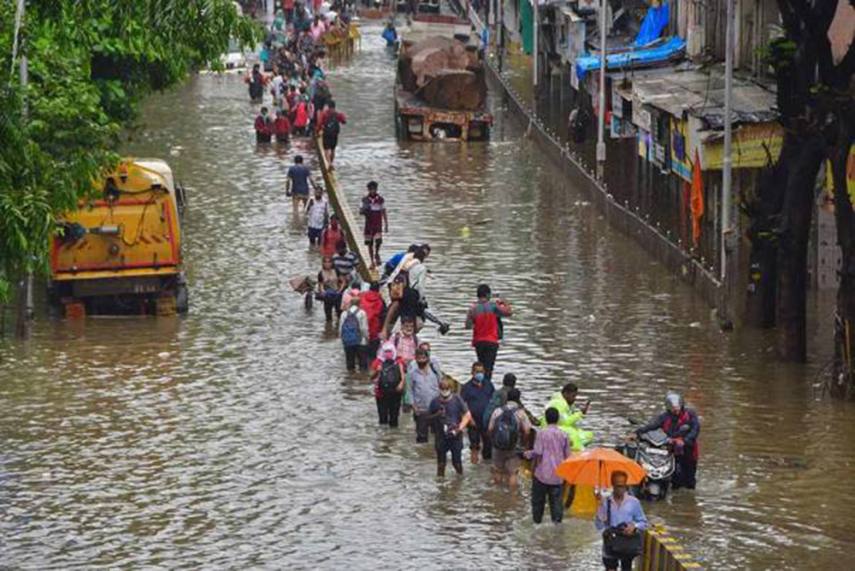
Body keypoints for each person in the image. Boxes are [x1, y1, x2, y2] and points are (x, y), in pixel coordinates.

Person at [634, 392, 700, 490]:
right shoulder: (664, 417)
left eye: (678, 407)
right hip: (673, 449)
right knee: (675, 478)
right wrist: (637, 433)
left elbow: (695, 429)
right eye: (673, 409)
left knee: (690, 479)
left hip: (689, 449)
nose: (676, 411)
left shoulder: (690, 415)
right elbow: (652, 426)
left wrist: (685, 441)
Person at [525, 407, 571, 524]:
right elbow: (567, 457)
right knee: (556, 506)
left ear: (545, 418)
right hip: (558, 477)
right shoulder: (564, 435)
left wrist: (528, 456)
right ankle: (557, 530)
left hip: (541, 475)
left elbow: (538, 453)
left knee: (538, 505)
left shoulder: (541, 433)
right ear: (558, 419)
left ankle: (537, 525)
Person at [595, 471, 648, 571]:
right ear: (613, 485)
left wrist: (634, 526)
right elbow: (598, 526)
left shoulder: (634, 502)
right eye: (617, 486)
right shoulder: (606, 502)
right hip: (610, 545)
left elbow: (644, 523)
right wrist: (600, 505)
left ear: (626, 485)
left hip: (627, 545)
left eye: (622, 486)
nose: (620, 489)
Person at [464, 284, 512, 380]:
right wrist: (505, 302)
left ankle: (480, 384)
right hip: (491, 341)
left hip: (479, 342)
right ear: (487, 295)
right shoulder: (494, 307)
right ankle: (487, 387)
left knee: (481, 366)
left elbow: (467, 326)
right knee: (489, 368)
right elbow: (508, 312)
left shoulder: (473, 309)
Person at [487, 388, 532, 488]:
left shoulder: (497, 411)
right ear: (518, 399)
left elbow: (490, 429)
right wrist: (523, 444)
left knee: (497, 470)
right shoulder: (521, 413)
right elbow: (527, 431)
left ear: (507, 398)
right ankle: (512, 497)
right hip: (513, 447)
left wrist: (494, 442)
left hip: (497, 446)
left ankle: (497, 493)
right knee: (513, 473)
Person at [428, 379, 472, 477]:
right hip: (440, 436)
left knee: (457, 463)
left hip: (455, 435)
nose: (444, 391)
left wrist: (459, 428)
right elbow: (428, 418)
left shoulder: (457, 399)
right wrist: (437, 415)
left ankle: (459, 481)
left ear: (450, 389)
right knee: (441, 464)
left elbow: (467, 415)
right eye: (442, 388)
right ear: (439, 389)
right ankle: (441, 485)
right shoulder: (434, 402)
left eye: (446, 388)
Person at [460, 362, 495, 463]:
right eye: (477, 371)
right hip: (473, 422)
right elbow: (463, 405)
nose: (479, 374)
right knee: (474, 447)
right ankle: (474, 469)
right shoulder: (466, 387)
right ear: (472, 372)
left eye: (481, 371)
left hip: (487, 422)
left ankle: (486, 470)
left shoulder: (489, 385)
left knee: (488, 447)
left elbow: (493, 401)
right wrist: (469, 420)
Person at [542, 382, 593, 451]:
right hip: (552, 429)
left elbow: (567, 420)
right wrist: (580, 413)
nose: (574, 399)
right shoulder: (560, 403)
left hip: (554, 428)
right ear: (566, 393)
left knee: (588, 435)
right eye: (573, 396)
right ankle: (577, 452)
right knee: (574, 434)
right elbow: (566, 422)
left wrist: (581, 413)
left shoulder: (563, 402)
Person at [404, 347, 441, 443]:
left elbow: (442, 385)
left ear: (427, 359)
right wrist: (414, 406)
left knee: (438, 435)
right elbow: (409, 391)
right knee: (421, 437)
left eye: (423, 358)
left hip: (436, 408)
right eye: (419, 358)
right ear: (415, 359)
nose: (421, 360)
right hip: (420, 409)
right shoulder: (412, 374)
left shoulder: (435, 371)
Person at [370, 342, 405, 427]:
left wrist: (401, 385)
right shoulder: (377, 362)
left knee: (394, 418)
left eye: (390, 351)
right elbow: (371, 377)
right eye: (386, 351)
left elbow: (403, 376)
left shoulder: (399, 361)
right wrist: (377, 371)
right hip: (381, 394)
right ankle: (384, 437)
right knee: (383, 418)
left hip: (395, 393)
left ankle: (393, 436)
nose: (388, 353)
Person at [360, 181, 388, 267]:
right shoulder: (364, 200)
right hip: (368, 224)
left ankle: (377, 253)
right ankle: (372, 261)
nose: (372, 191)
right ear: (368, 190)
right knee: (370, 243)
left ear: (376, 189)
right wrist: (365, 209)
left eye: (374, 189)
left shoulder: (380, 199)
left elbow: (383, 211)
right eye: (371, 189)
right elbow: (360, 212)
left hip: (377, 223)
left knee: (378, 241)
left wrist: (386, 224)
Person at [340, 295, 368, 372]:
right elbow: (364, 328)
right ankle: (362, 379)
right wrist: (367, 338)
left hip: (348, 341)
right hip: (361, 341)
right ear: (359, 303)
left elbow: (340, 329)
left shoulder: (344, 313)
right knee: (363, 365)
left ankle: (350, 379)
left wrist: (343, 339)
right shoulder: (362, 313)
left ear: (351, 303)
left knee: (350, 364)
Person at [360, 281, 387, 359]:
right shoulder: (380, 300)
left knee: (363, 357)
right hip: (374, 330)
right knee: (373, 356)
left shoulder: (362, 297)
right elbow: (383, 316)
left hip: (362, 330)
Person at [319, 101, 347, 167]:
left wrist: (318, 131)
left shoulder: (325, 114)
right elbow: (344, 122)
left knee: (326, 149)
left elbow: (320, 123)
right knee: (333, 149)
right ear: (334, 106)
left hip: (326, 133)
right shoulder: (338, 114)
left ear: (328, 107)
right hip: (334, 134)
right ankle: (331, 162)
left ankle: (329, 163)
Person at [317, 255, 341, 322]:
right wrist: (322, 291)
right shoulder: (321, 273)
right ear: (323, 263)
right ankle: (328, 329)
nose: (327, 264)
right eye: (325, 262)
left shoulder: (336, 270)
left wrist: (340, 290)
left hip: (337, 294)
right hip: (327, 295)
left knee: (339, 313)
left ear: (332, 263)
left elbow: (343, 281)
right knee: (328, 316)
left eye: (329, 262)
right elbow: (320, 285)